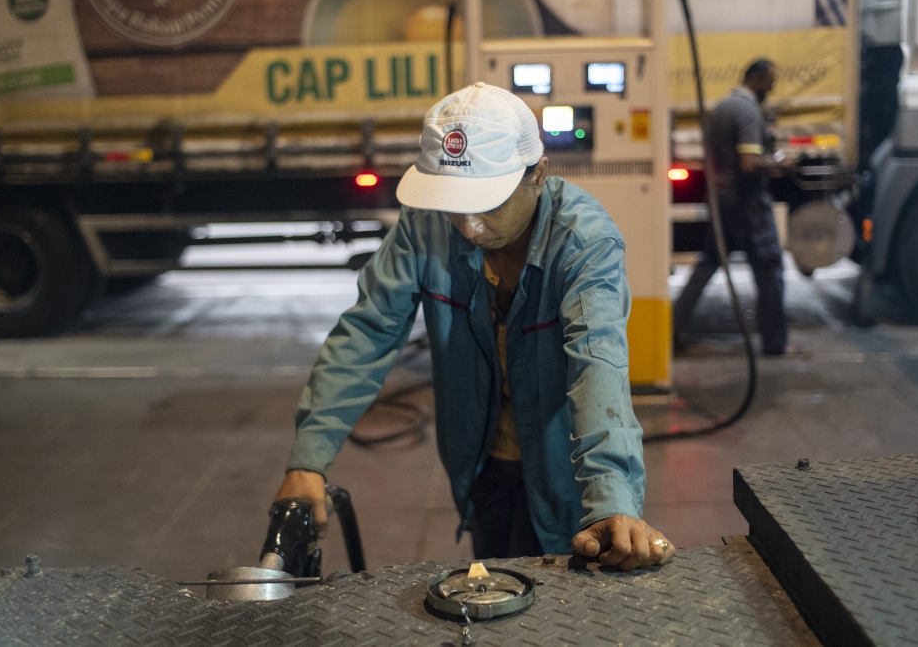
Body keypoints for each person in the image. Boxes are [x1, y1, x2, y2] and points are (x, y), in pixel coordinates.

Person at [273, 83, 675, 570]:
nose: (468, 226)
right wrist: (307, 458)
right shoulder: (425, 225)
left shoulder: (583, 242)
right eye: (454, 203)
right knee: (498, 587)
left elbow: (600, 364)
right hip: (480, 462)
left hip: (566, 469)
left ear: (537, 176)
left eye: (486, 203)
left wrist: (611, 498)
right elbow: (369, 329)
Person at [673, 59, 797, 356]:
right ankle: (775, 343)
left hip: (721, 203)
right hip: (748, 207)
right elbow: (749, 162)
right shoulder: (748, 112)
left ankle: (672, 330)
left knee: (706, 267)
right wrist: (779, 163)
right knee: (769, 271)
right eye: (769, 80)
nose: (772, 87)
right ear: (754, 78)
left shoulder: (722, 108)